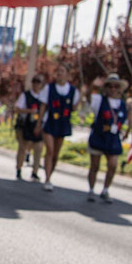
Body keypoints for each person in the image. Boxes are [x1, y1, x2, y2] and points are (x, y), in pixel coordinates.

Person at [86, 74, 127, 202]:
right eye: (110, 86)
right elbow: (87, 97)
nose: (113, 89)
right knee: (95, 165)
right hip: (99, 137)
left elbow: (125, 120)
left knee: (113, 164)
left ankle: (105, 189)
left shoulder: (122, 104)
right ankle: (91, 190)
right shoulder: (99, 99)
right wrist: (92, 86)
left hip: (113, 139)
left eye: (116, 86)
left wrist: (127, 131)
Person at [41, 64, 78, 192]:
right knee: (50, 150)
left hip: (63, 123)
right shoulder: (49, 88)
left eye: (62, 71)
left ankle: (50, 175)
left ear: (67, 74)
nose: (59, 74)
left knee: (56, 154)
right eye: (58, 71)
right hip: (50, 122)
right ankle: (46, 178)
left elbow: (74, 107)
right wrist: (38, 123)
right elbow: (43, 106)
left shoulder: (73, 90)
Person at [14, 74, 47, 181]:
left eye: (39, 82)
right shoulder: (26, 95)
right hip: (26, 125)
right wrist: (29, 111)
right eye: (35, 82)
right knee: (23, 148)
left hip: (38, 125)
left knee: (38, 148)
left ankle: (35, 171)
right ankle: (19, 169)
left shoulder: (43, 98)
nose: (36, 85)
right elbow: (17, 108)